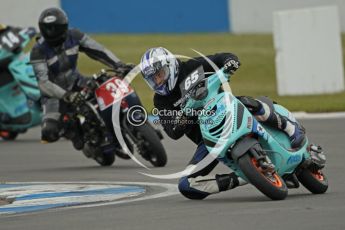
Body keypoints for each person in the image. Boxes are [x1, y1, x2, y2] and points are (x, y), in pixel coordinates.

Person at [139, 47, 306, 200]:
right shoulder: (160, 100)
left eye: (159, 74)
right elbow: (172, 132)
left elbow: (221, 57)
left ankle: (289, 127)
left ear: (171, 66)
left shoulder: (192, 67)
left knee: (247, 101)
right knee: (186, 185)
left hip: (227, 110)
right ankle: (243, 177)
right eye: (152, 79)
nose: (158, 81)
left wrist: (230, 62)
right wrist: (184, 116)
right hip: (209, 141)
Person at [30, 7, 133, 150]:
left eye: (56, 28)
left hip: (77, 81)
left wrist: (119, 64)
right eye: (48, 28)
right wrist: (66, 95)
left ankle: (127, 119)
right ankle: (74, 132)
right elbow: (43, 83)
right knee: (49, 132)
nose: (52, 32)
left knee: (108, 85)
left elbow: (98, 50)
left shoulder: (75, 35)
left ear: (64, 26)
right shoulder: (38, 51)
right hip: (54, 95)